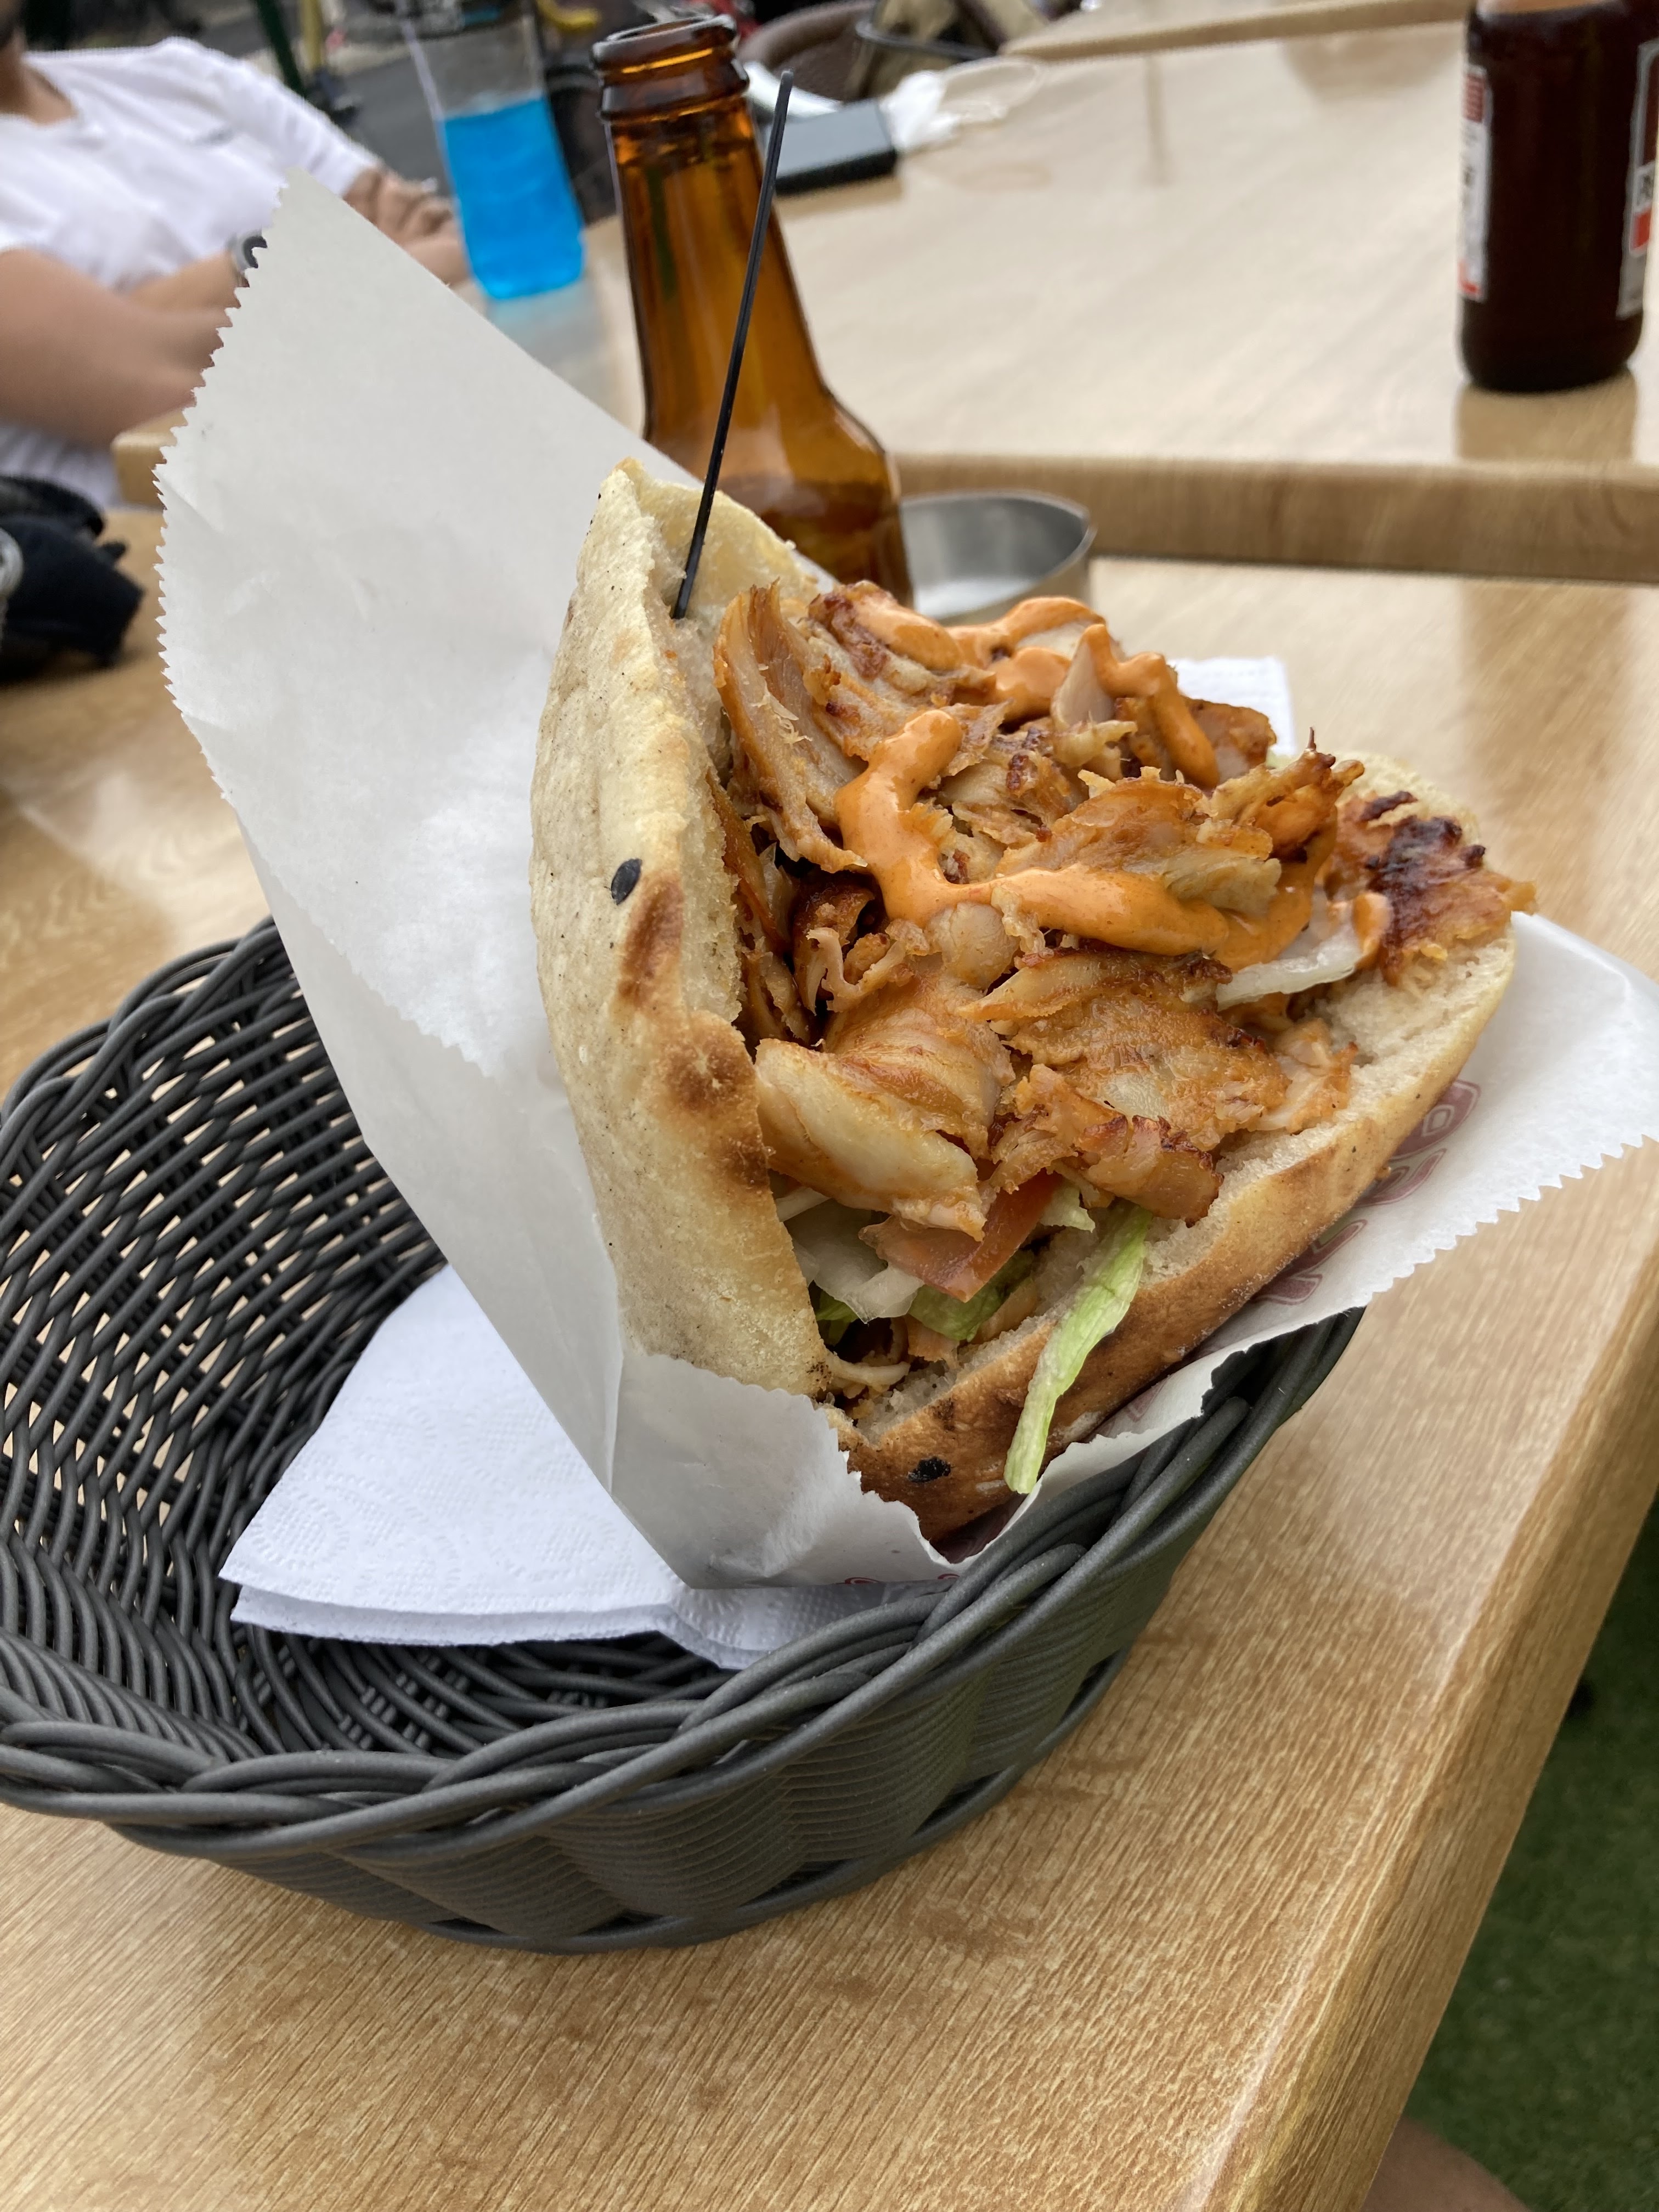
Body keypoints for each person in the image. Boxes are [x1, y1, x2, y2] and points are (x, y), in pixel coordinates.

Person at [0, 9, 467, 505]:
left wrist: (177, 306)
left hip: (437, 452)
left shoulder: (182, 75)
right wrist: (312, 248)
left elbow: (460, 247)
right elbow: (175, 389)